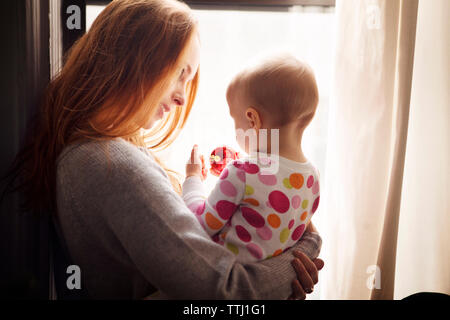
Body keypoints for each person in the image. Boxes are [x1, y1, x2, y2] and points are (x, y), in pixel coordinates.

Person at [5, 0, 323, 299]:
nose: (182, 98)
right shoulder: (111, 165)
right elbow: (223, 290)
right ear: (136, 62)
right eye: (180, 74)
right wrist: (303, 249)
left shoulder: (100, 154)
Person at [183, 54, 321, 263]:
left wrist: (192, 179)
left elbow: (200, 225)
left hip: (218, 278)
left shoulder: (242, 172)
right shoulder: (312, 178)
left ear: (252, 119)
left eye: (234, 119)